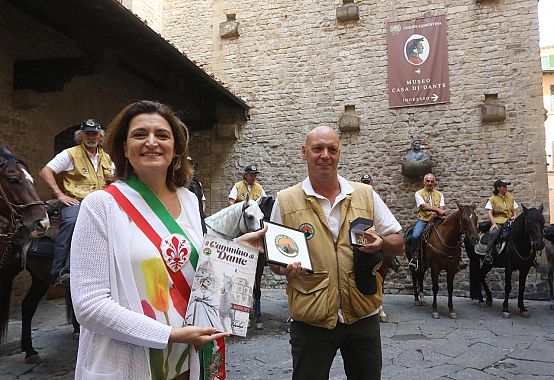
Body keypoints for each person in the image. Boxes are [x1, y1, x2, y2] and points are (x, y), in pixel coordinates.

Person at [70, 100, 266, 380]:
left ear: (175, 148)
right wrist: (170, 335)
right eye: (140, 135)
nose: (151, 142)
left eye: (162, 135)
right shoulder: (100, 206)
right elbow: (89, 306)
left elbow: (198, 273)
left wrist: (237, 251)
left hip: (188, 360)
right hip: (130, 363)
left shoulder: (188, 199)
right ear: (125, 147)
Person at [269, 126, 404, 380]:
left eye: (332, 149)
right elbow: (275, 261)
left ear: (339, 154)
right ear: (304, 153)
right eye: (317, 148)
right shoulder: (285, 200)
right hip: (312, 318)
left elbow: (398, 242)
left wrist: (381, 243)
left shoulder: (364, 194)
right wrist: (284, 268)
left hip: (363, 314)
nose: (325, 155)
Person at [39, 118, 113, 287]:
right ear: (81, 136)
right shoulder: (70, 153)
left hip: (100, 203)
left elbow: (113, 178)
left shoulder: (106, 157)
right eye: (87, 134)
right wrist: (60, 195)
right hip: (77, 202)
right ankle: (59, 271)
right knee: (72, 222)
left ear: (100, 137)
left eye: (95, 134)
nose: (91, 137)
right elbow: (45, 172)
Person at [408, 173, 446, 271]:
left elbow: (442, 207)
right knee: (415, 235)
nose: (430, 183)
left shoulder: (440, 194)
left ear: (434, 182)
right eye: (428, 181)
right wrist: (438, 211)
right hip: (424, 220)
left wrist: (437, 213)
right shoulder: (418, 193)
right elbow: (424, 206)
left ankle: (454, 258)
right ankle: (414, 258)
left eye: (432, 181)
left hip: (438, 219)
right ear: (424, 181)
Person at [483, 179, 519, 265]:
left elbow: (514, 210)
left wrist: (515, 216)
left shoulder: (510, 198)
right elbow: (489, 212)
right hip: (499, 221)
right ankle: (488, 254)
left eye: (506, 186)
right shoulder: (492, 199)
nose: (506, 188)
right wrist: (494, 224)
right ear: (498, 188)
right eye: (504, 186)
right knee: (493, 233)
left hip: (510, 221)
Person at [187, 156, 207, 234]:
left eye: (190, 165)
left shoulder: (197, 184)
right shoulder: (177, 185)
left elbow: (202, 201)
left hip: (198, 219)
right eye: (187, 165)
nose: (189, 168)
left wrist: (200, 214)